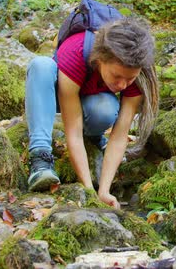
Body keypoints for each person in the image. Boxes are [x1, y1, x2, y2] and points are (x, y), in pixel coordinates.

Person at [24, 18, 159, 209]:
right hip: (57, 94)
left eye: (130, 78)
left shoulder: (138, 73)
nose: (122, 85)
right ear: (100, 59)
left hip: (92, 98)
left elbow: (120, 135)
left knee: (105, 108)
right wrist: (88, 190)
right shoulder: (75, 51)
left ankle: (94, 137)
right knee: (41, 66)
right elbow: (73, 132)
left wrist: (103, 192)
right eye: (116, 76)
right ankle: (40, 158)